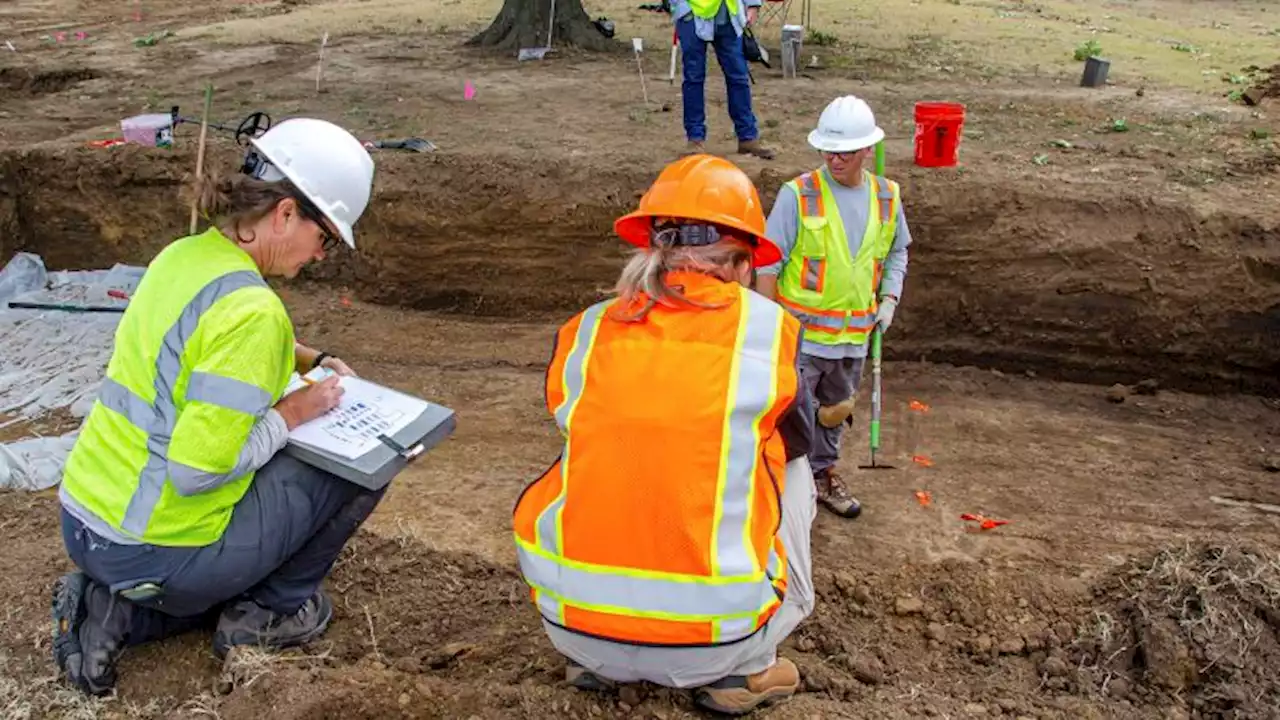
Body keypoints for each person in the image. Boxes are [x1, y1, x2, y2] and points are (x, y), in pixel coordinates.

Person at [52, 117, 386, 697]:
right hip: (153, 545)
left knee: (275, 456)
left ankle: (118, 610)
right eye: (325, 236)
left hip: (89, 525)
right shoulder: (253, 313)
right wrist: (294, 413)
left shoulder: (184, 256)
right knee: (367, 462)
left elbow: (198, 343)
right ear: (285, 213)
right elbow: (196, 471)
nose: (322, 255)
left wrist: (309, 357)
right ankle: (267, 614)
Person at [513, 154, 817, 716]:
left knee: (599, 445)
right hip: (715, 642)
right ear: (741, 262)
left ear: (651, 247)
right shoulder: (767, 332)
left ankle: (600, 659)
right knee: (791, 467)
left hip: (572, 628)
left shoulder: (587, 328)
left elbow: (567, 409)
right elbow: (801, 443)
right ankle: (748, 671)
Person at [755, 95, 912, 520]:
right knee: (789, 412)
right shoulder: (799, 195)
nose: (833, 158)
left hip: (853, 339)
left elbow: (897, 252)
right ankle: (776, 482)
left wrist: (890, 299)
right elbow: (768, 262)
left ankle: (822, 476)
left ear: (867, 150)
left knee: (835, 411)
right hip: (801, 337)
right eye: (827, 149)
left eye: (844, 151)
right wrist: (768, 330)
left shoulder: (886, 197)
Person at [672, 0, 775, 160]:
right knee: (694, 78)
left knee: (739, 78)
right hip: (692, 14)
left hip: (728, 15)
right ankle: (695, 139)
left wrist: (753, 5)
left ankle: (747, 137)